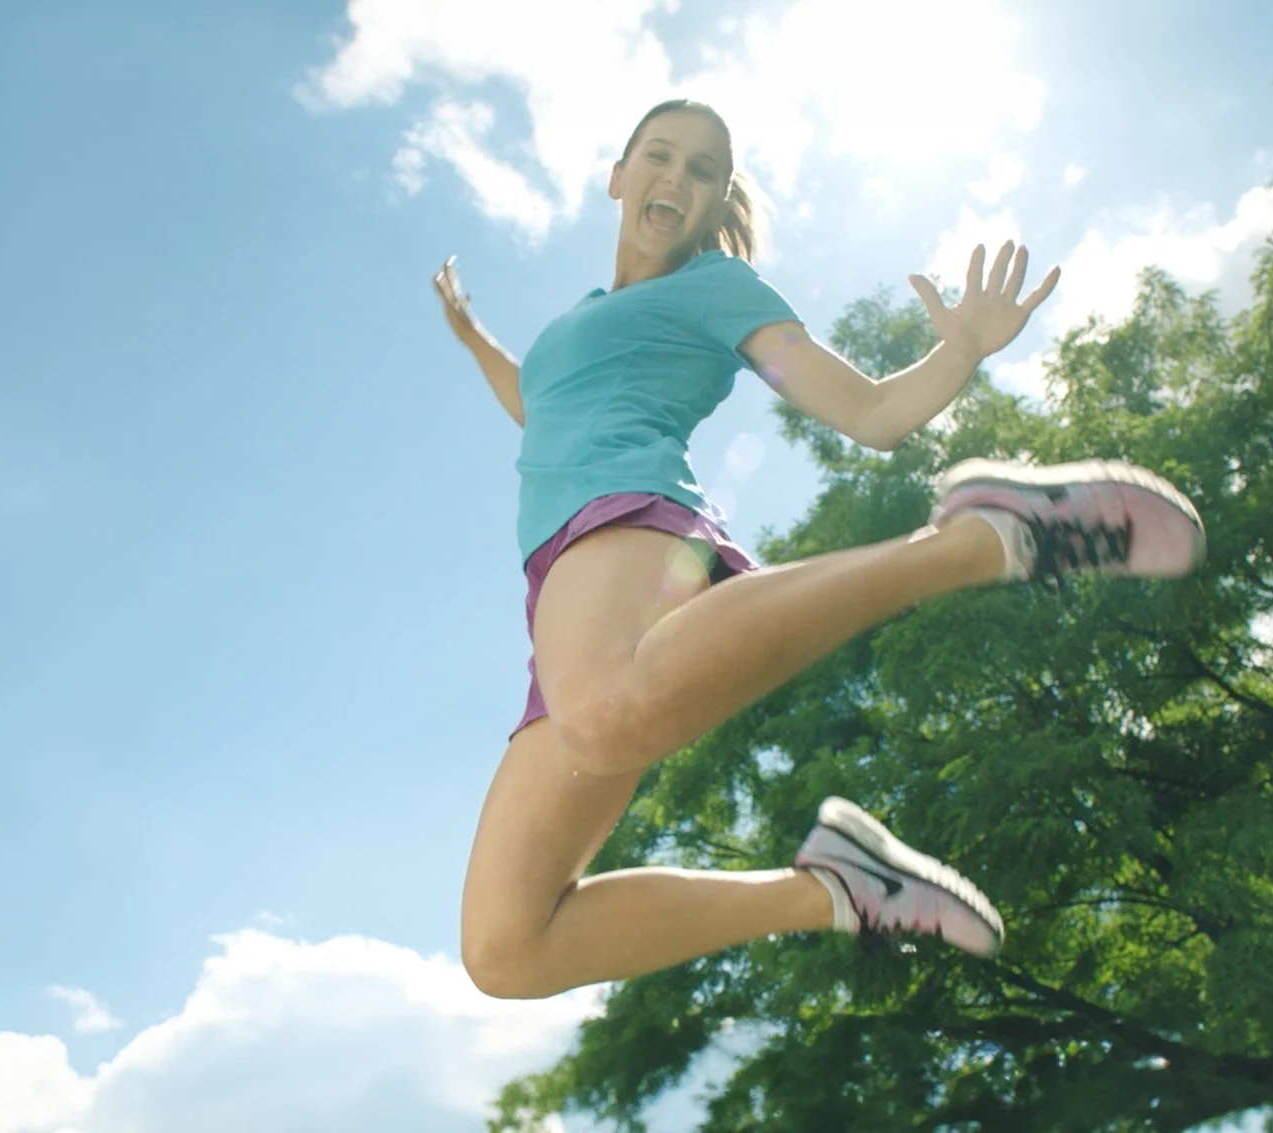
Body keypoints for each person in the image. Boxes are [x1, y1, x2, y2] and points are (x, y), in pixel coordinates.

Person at [435, 98, 1204, 1001]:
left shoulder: (719, 289)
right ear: (618, 175)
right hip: (561, 592)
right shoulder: (578, 326)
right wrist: (471, 335)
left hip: (628, 527)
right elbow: (537, 405)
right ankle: (836, 886)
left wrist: (955, 354)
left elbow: (871, 414)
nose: (675, 178)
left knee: (603, 717)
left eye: (702, 170)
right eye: (660, 156)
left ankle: (973, 540)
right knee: (507, 947)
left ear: (718, 201)